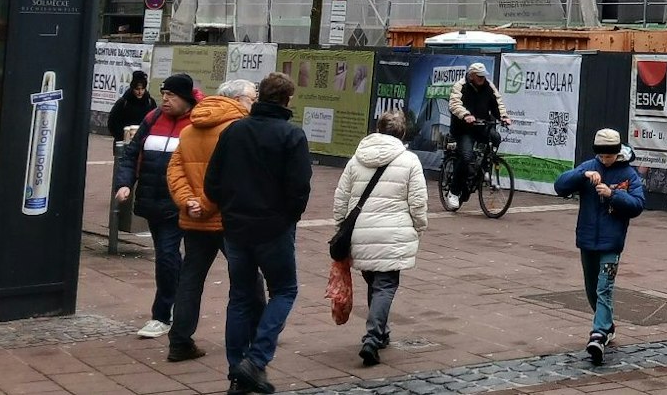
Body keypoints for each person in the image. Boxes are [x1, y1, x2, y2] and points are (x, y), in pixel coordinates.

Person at [206, 71, 312, 395]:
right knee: (284, 290)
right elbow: (299, 188)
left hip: (236, 227)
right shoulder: (291, 135)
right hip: (273, 229)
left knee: (239, 297)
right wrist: (288, 217)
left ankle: (238, 370)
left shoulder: (235, 131)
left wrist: (229, 208)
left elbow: (212, 182)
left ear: (260, 97)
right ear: (287, 99)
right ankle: (255, 360)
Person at [164, 77, 257, 363]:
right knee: (248, 278)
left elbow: (175, 171)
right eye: (252, 98)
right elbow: (235, 177)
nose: (254, 103)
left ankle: (179, 341)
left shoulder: (190, 129)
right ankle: (259, 333)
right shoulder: (240, 130)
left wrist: (189, 202)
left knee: (190, 279)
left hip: (195, 218)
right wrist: (206, 205)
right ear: (238, 100)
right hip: (229, 219)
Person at [333, 109, 428, 368]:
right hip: (393, 234)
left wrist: (341, 227)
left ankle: (381, 332)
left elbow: (341, 197)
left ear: (378, 129)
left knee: (375, 282)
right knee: (385, 285)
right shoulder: (409, 161)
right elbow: (418, 201)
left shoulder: (356, 160)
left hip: (360, 234)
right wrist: (419, 227)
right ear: (402, 133)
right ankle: (373, 338)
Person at [113, 73, 197, 340]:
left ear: (185, 98)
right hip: (151, 201)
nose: (165, 100)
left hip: (179, 203)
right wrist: (124, 183)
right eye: (163, 94)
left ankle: (162, 315)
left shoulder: (197, 122)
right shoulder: (153, 118)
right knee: (167, 255)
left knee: (166, 255)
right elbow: (131, 154)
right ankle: (178, 301)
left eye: (171, 95)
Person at [553, 128, 646, 363]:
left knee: (605, 287)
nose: (605, 160)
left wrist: (612, 194)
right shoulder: (588, 166)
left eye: (609, 156)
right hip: (587, 240)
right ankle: (607, 324)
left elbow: (637, 204)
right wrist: (582, 175)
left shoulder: (629, 174)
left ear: (618, 152)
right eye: (602, 155)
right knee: (592, 287)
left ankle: (598, 334)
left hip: (612, 243)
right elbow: (560, 186)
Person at [444, 62, 509, 210]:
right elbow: (454, 104)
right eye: (479, 76)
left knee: (496, 138)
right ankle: (454, 192)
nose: (482, 79)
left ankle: (483, 170)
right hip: (463, 129)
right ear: (471, 75)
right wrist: (466, 115)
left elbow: (497, 103)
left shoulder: (488, 86)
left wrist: (503, 117)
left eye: (483, 76)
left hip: (481, 126)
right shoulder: (460, 86)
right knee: (466, 157)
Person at [108, 70, 157, 142]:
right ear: (132, 88)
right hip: (124, 141)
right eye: (137, 89)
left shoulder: (150, 102)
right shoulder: (123, 102)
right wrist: (122, 137)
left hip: (143, 141)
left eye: (142, 89)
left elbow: (155, 121)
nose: (140, 92)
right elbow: (112, 122)